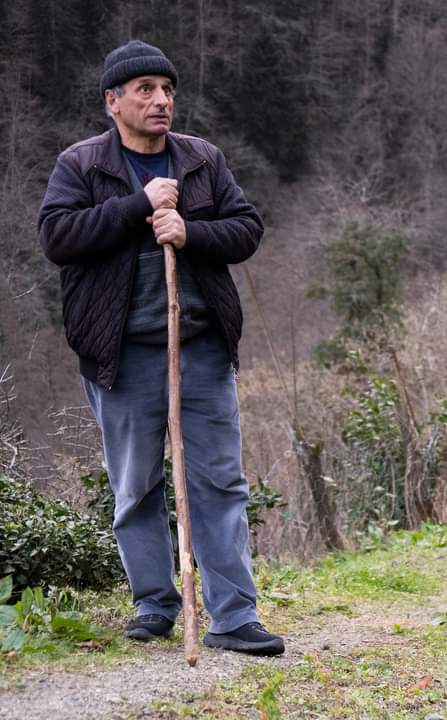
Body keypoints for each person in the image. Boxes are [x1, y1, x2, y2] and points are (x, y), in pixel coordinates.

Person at [37, 40, 284, 656]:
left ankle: (233, 617)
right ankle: (154, 603)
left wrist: (190, 231)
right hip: (120, 354)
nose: (161, 100)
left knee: (220, 482)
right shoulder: (81, 164)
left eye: (167, 89)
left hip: (199, 346)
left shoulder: (202, 160)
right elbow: (58, 236)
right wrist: (136, 207)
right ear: (112, 101)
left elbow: (247, 228)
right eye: (145, 89)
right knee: (136, 485)